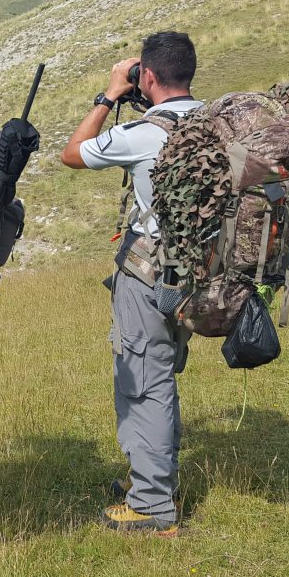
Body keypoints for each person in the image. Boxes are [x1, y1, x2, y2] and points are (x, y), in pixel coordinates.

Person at [60, 31, 203, 535]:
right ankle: (153, 478)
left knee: (145, 383)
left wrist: (108, 96)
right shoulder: (214, 123)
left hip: (148, 274)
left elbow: (73, 153)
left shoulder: (145, 133)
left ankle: (153, 504)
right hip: (197, 275)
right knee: (160, 376)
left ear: (146, 75)